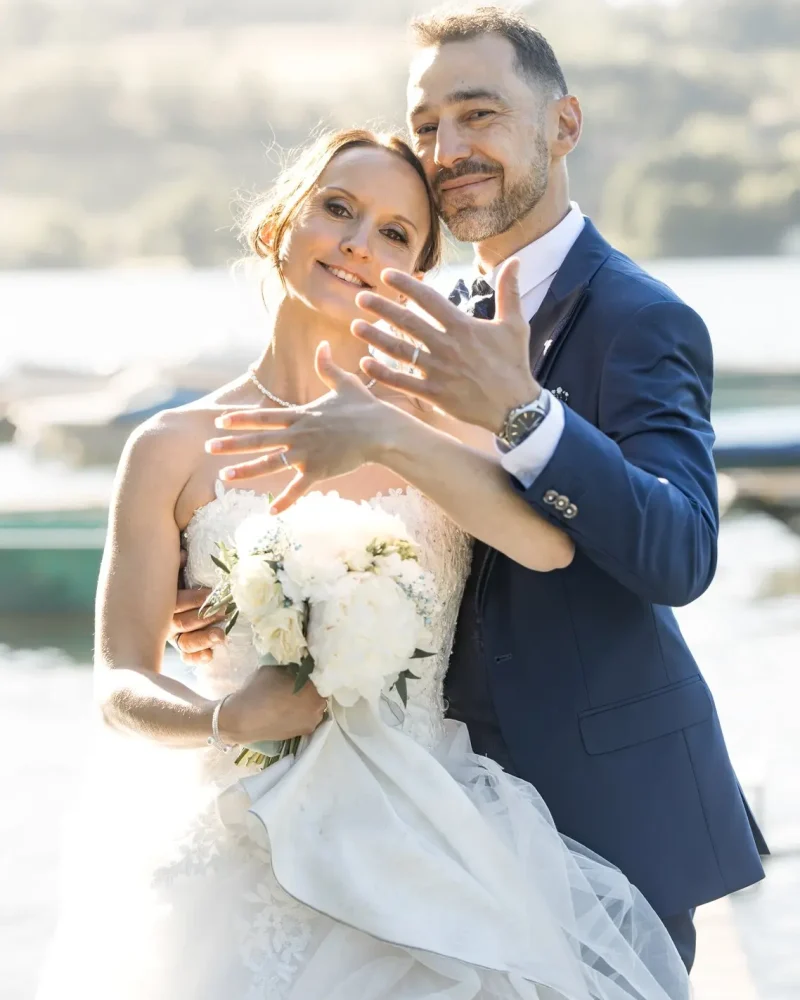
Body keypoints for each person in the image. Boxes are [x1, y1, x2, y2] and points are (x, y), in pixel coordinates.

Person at [37, 128, 688, 1000]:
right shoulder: (169, 447)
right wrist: (233, 713)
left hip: (426, 834)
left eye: (394, 234)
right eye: (338, 210)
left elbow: (545, 544)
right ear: (280, 225)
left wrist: (393, 434)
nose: (356, 243)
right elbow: (119, 686)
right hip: (239, 841)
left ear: (415, 275)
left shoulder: (443, 419)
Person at [194, 7, 768, 975]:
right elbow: (369, 493)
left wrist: (525, 414)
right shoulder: (417, 310)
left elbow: (680, 553)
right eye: (426, 126)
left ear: (562, 126)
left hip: (608, 808)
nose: (447, 149)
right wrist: (236, 589)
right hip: (432, 823)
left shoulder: (641, 320)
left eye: (478, 114)